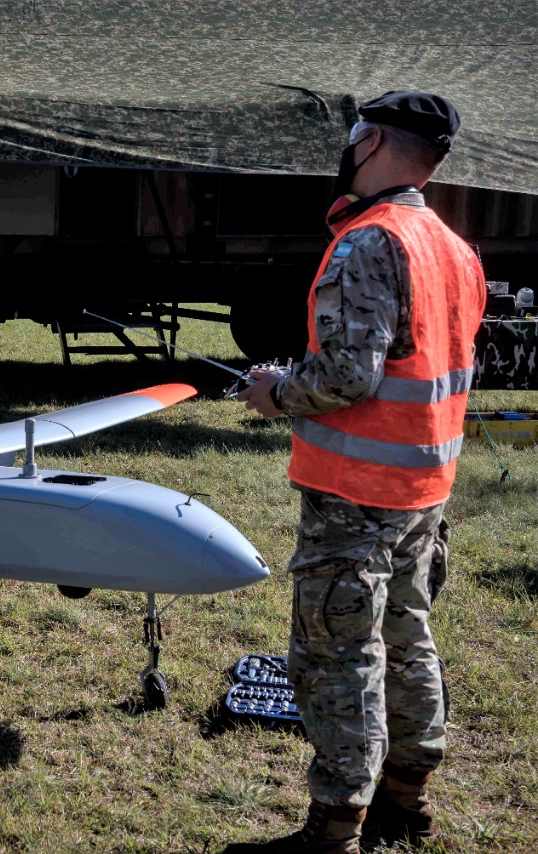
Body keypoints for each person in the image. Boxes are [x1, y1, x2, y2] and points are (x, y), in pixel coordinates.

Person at [228, 92, 486, 853]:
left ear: (368, 140)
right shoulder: (451, 245)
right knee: (408, 639)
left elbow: (348, 373)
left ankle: (335, 828)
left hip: (356, 496)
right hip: (424, 490)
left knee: (340, 656)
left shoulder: (370, 240)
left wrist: (275, 394)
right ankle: (407, 804)